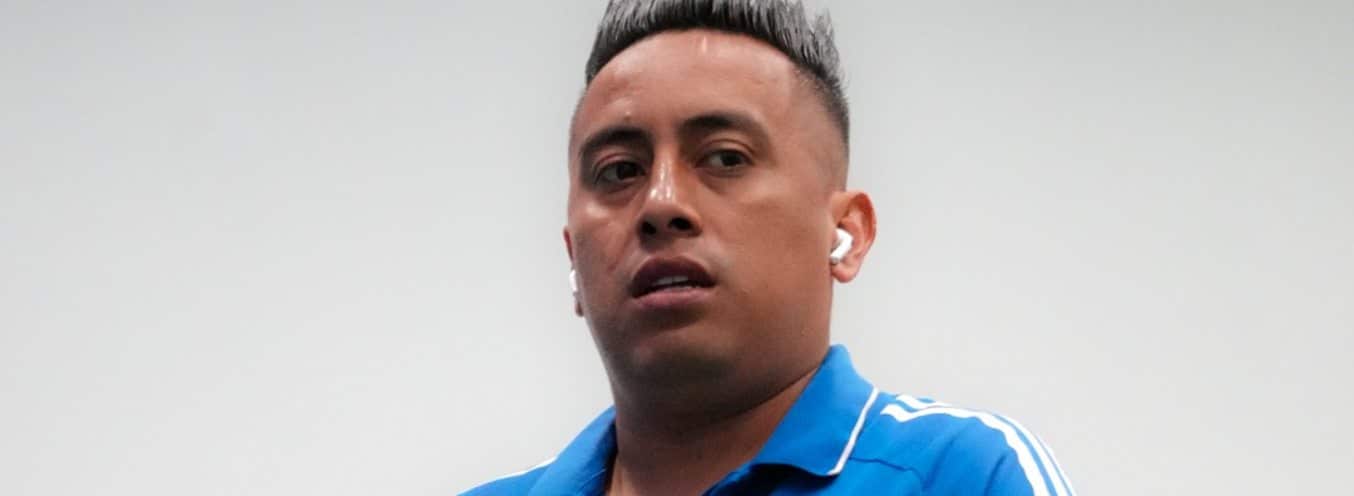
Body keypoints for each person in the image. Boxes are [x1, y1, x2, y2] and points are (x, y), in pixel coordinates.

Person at [464, 0, 1074, 494]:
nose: (660, 203)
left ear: (847, 234)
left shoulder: (964, 475)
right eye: (620, 170)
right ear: (573, 256)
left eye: (726, 158)